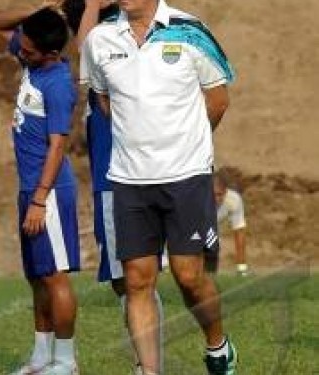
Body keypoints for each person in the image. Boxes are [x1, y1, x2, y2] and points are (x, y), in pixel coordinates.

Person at [80, 0, 237, 374]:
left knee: (189, 277)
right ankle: (149, 371)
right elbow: (104, 101)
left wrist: (186, 145)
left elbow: (218, 99)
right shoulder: (99, 39)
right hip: (129, 179)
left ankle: (218, 346)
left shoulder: (191, 31)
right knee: (137, 282)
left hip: (187, 176)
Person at [62, 1, 164, 373]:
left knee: (134, 280)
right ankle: (148, 364)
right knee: (131, 281)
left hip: (120, 179)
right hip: (115, 177)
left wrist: (91, 4)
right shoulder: (106, 50)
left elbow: (85, 45)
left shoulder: (122, 52)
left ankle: (147, 365)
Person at [0, 6, 81, 375]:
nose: (20, 54)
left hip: (49, 194)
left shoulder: (58, 83)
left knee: (54, 276)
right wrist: (42, 10)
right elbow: (0, 25)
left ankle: (65, 361)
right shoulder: (33, 61)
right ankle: (40, 358)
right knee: (37, 276)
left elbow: (57, 146)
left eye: (28, 51)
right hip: (29, 189)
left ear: (51, 54)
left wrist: (40, 199)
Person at [211, 171, 249, 276]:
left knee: (210, 272)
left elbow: (239, 231)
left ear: (226, 191)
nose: (216, 199)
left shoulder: (234, 200)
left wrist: (242, 267)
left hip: (211, 232)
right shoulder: (195, 201)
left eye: (220, 194)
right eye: (212, 194)